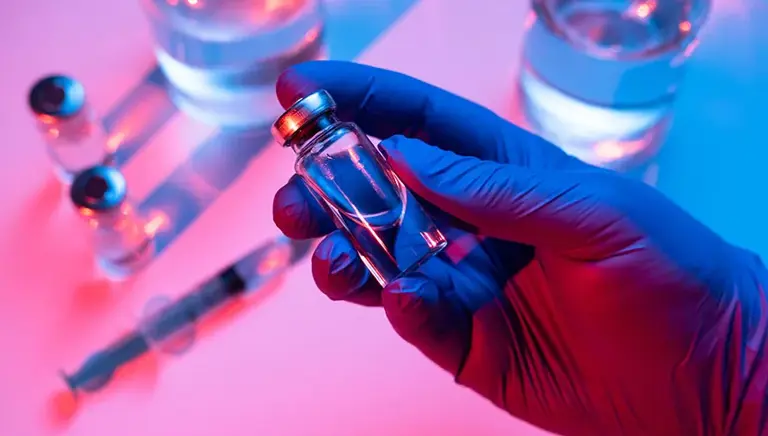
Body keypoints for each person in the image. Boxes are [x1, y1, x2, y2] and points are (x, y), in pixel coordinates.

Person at [272, 60, 768, 436]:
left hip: (429, 244)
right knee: (370, 261)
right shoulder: (316, 161)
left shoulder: (345, 139)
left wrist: (738, 369)